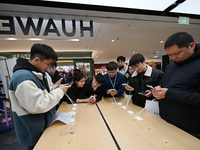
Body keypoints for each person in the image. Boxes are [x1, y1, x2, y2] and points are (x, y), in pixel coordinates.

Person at [9, 43, 71, 149]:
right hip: (34, 131)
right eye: (47, 64)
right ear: (37, 59)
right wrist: (59, 91)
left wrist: (54, 89)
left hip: (40, 127)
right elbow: (38, 105)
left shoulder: (32, 74)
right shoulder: (23, 77)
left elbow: (39, 94)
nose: (48, 68)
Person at [152, 32, 200, 139]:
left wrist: (169, 94)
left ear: (191, 46)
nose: (173, 58)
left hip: (190, 129)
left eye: (177, 53)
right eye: (170, 55)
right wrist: (158, 88)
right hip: (167, 122)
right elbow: (164, 83)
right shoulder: (171, 66)